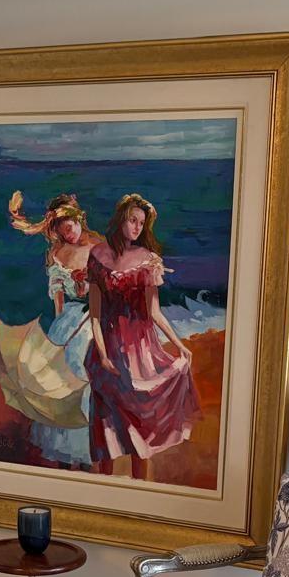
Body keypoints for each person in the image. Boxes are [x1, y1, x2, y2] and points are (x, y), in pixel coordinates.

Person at [84, 193, 198, 481]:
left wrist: (180, 346)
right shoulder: (97, 256)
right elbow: (95, 315)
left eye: (141, 223)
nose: (136, 227)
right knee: (105, 426)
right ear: (120, 219)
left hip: (140, 352)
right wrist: (103, 355)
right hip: (107, 348)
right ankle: (102, 489)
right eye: (132, 220)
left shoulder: (148, 261)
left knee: (140, 425)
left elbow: (155, 313)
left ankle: (140, 491)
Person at [8, 191, 100, 467]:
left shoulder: (98, 247)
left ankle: (89, 446)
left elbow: (107, 288)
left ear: (79, 220)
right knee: (59, 373)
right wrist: (59, 332)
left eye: (70, 227)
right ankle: (63, 448)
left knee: (88, 376)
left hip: (96, 316)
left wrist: (89, 289)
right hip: (69, 319)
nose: (68, 233)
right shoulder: (56, 253)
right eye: (62, 230)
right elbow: (59, 298)